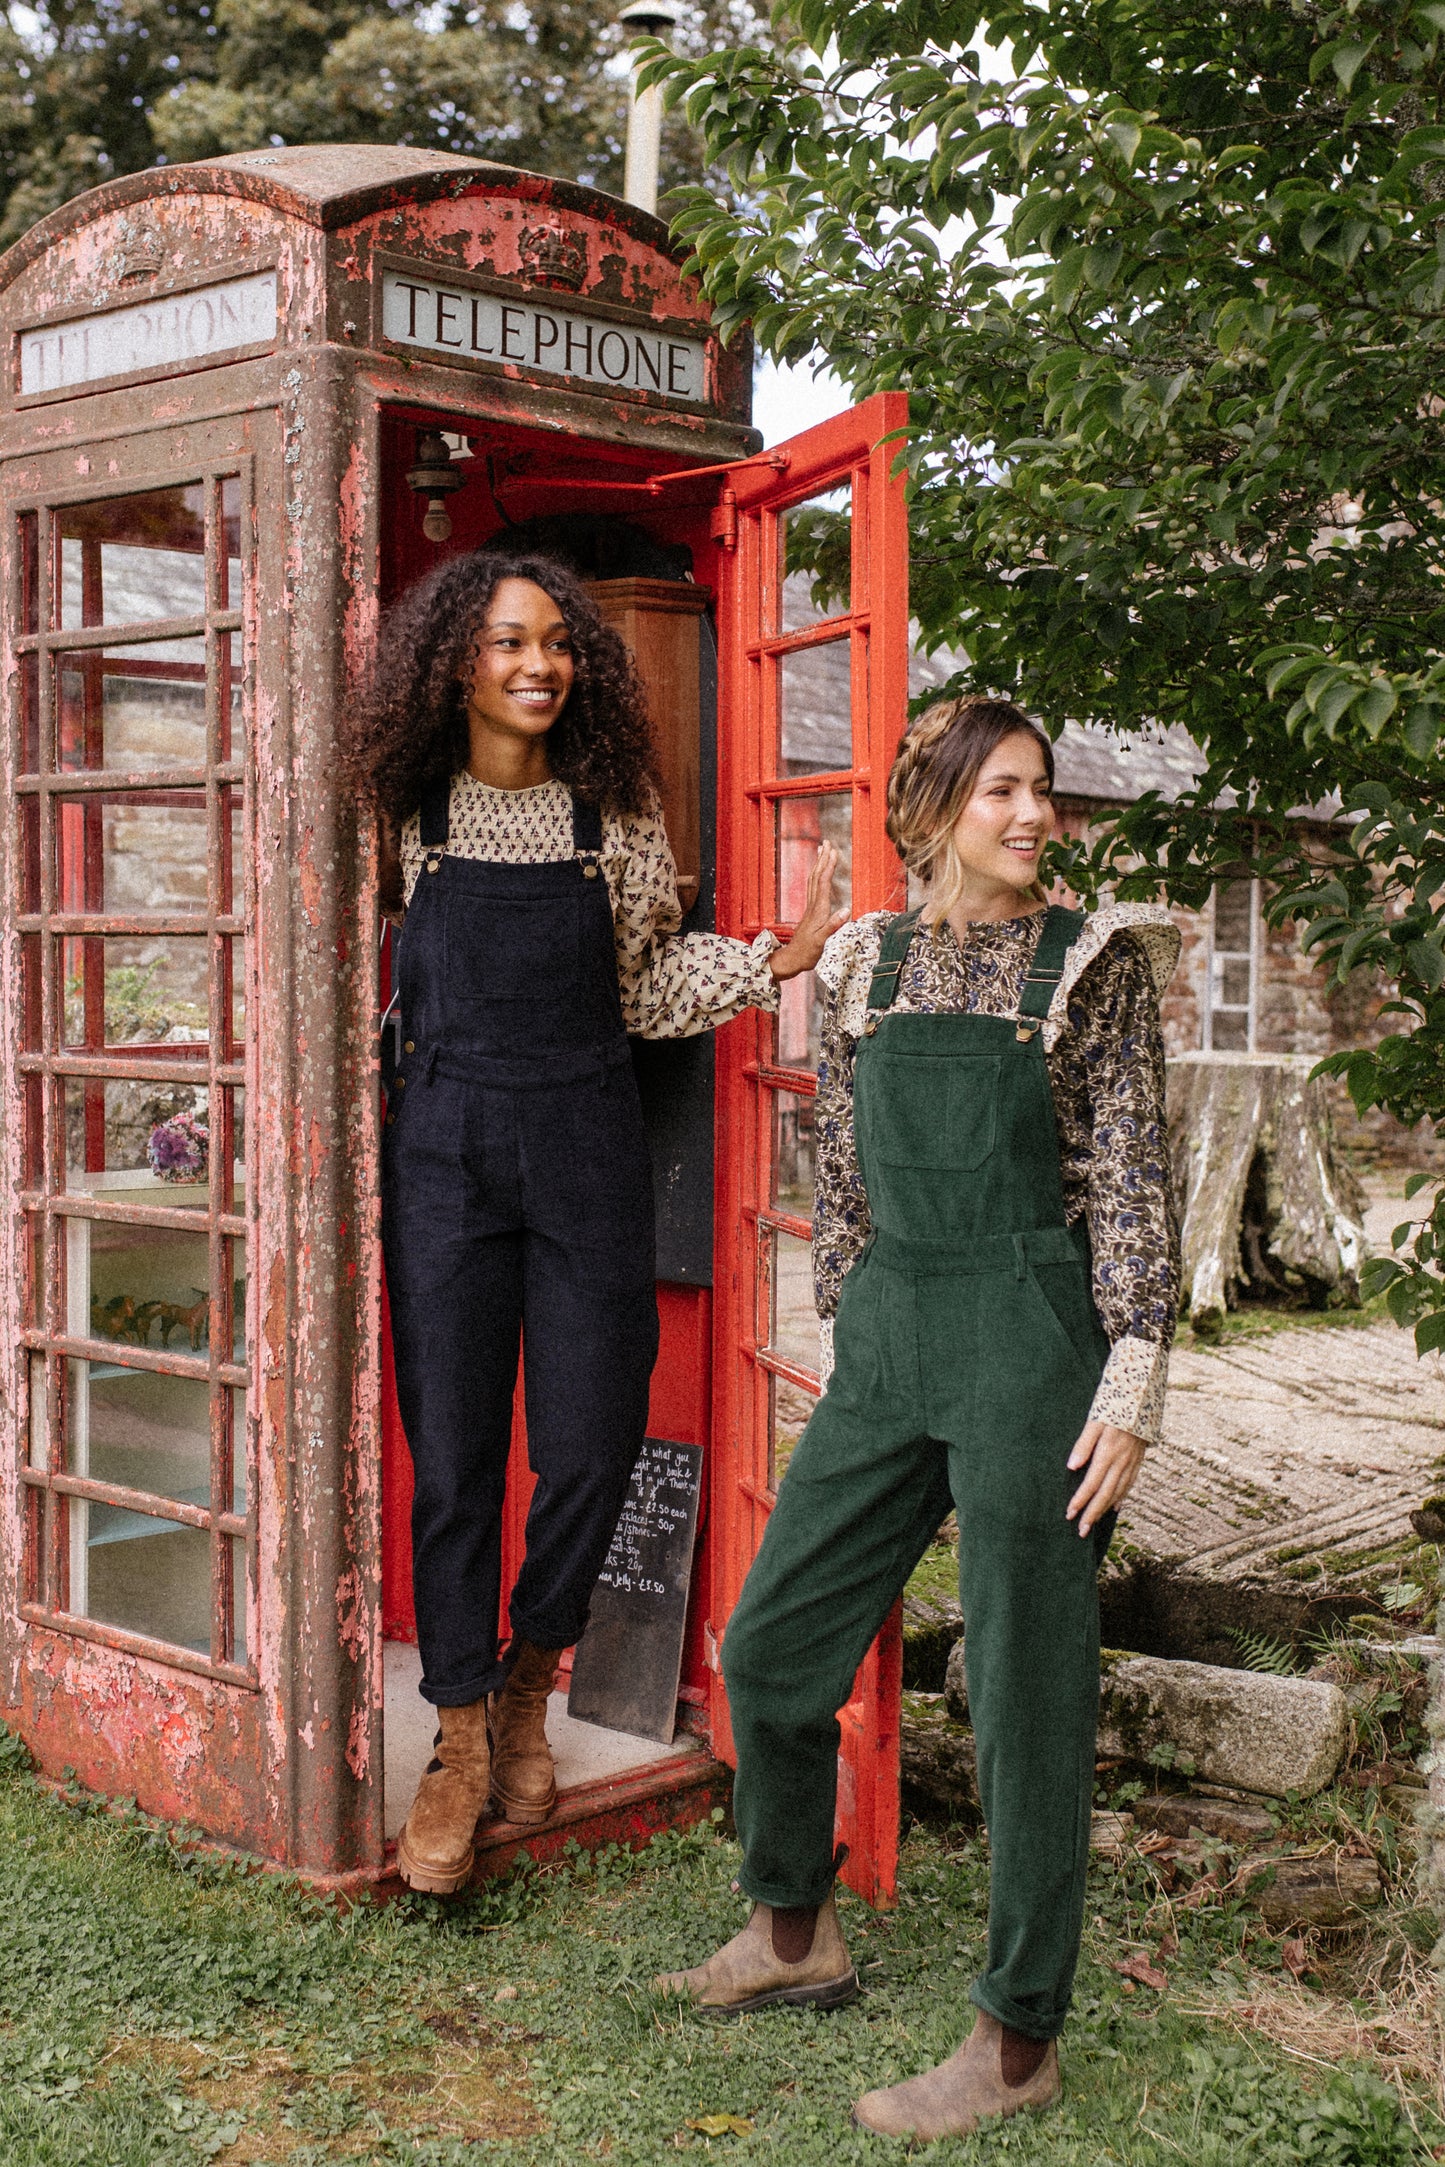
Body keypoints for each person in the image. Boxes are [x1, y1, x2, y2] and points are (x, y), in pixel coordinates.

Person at [658, 696, 1180, 2143]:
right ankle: (789, 1933)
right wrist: (849, 1309)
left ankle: (1016, 2040)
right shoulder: (867, 961)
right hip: (891, 1332)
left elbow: (1132, 1177)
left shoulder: (1092, 962)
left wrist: (1130, 1376)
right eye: (998, 790)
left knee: (1023, 1697)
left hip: (1029, 1338)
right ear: (928, 809)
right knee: (767, 1649)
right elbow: (837, 1159)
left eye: (1040, 793)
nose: (1031, 816)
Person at [350, 550, 840, 1895]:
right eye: (511, 642)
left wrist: (770, 959)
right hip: (443, 1143)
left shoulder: (610, 820)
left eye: (557, 644)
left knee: (589, 1443)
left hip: (583, 1140)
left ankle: (525, 1678)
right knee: (451, 1453)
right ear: (456, 661)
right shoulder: (403, 817)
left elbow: (639, 987)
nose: (538, 665)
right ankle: (457, 1732)